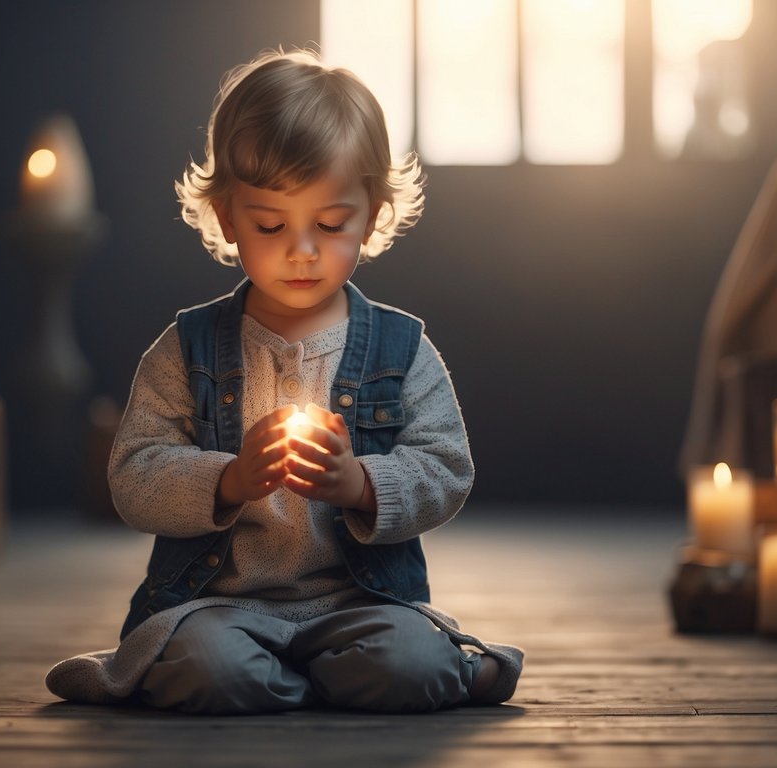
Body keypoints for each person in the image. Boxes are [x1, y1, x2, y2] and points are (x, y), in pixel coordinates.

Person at [46, 48, 522, 714]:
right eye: (271, 224)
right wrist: (229, 480)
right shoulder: (186, 351)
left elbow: (447, 470)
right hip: (220, 607)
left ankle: (396, 666)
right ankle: (299, 679)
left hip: (364, 605)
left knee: (406, 662)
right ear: (226, 216)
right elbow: (133, 477)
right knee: (208, 667)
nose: (302, 249)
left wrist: (361, 485)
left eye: (330, 224)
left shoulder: (401, 349)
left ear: (374, 212)